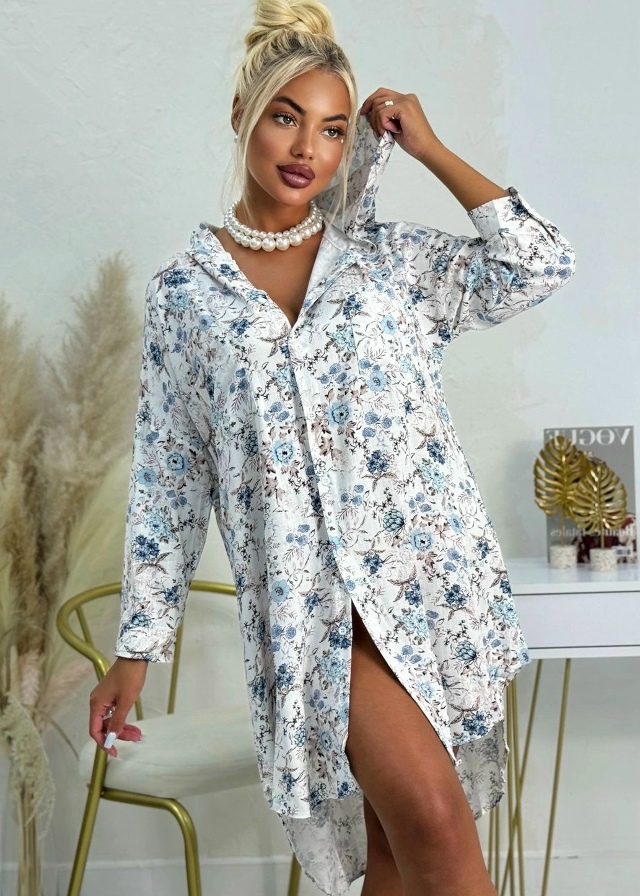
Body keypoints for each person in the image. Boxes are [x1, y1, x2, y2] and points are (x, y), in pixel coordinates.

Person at [88, 2, 576, 894]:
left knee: (399, 846)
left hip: (425, 590)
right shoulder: (186, 300)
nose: (306, 146)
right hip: (307, 615)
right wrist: (136, 647)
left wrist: (430, 148)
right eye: (286, 117)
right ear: (241, 114)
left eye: (333, 128)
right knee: (432, 822)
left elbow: (538, 264)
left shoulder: (386, 265)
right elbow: (169, 480)